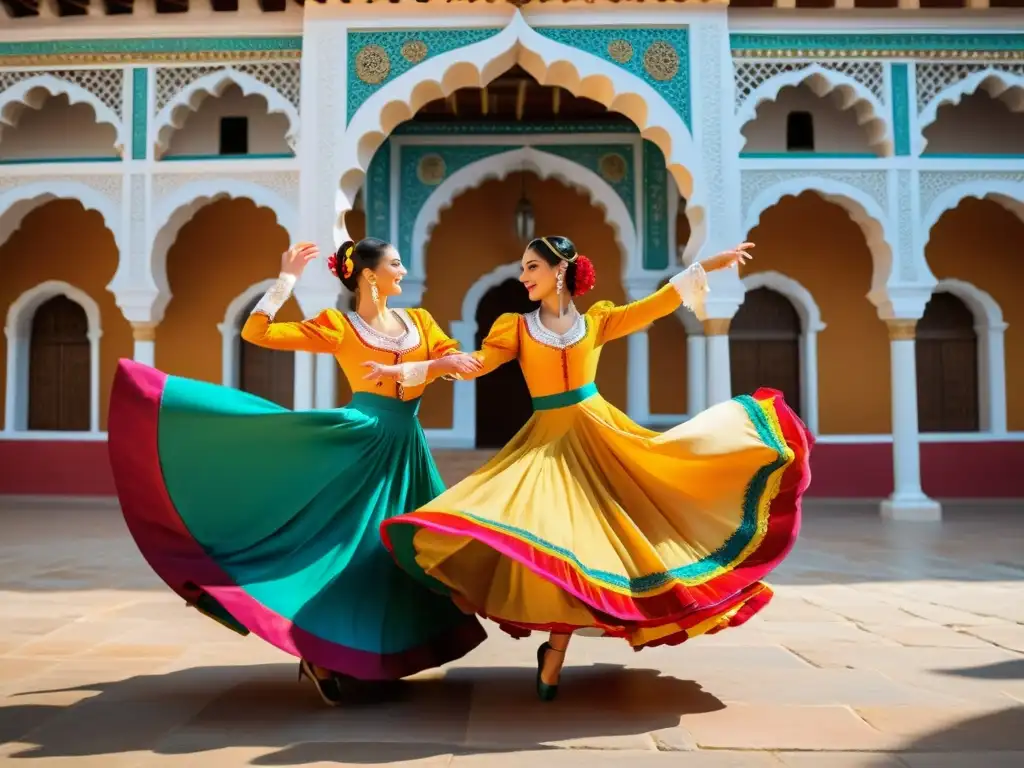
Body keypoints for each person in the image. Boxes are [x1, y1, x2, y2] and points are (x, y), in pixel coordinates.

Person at [379, 236, 812, 702]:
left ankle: (556, 653)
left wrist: (705, 267)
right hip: (547, 444)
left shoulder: (599, 320)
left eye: (531, 267)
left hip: (602, 438)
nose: (523, 277)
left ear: (559, 271)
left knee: (604, 546)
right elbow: (478, 364)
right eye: (522, 269)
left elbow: (657, 303)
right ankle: (550, 651)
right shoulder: (516, 327)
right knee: (560, 545)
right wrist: (421, 368)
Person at [107, 238, 488, 707]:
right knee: (341, 551)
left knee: (393, 555)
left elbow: (462, 366)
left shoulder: (421, 322)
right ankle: (321, 654)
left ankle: (366, 654)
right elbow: (256, 333)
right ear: (369, 275)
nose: (403, 270)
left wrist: (450, 363)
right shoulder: (337, 325)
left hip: (406, 447)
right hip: (359, 443)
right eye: (395, 263)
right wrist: (286, 279)